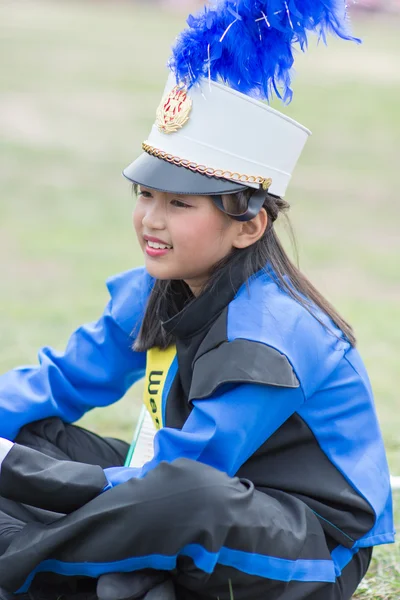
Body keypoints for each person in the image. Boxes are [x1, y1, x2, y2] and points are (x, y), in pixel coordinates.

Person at [0, 1, 395, 599]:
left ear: (249, 226)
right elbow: (60, 381)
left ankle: (33, 562)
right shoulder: (153, 289)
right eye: (145, 194)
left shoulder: (270, 337)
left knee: (175, 496)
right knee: (37, 435)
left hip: (303, 547)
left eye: (180, 204)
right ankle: (120, 576)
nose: (150, 221)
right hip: (189, 495)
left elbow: (183, 476)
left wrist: (12, 469)